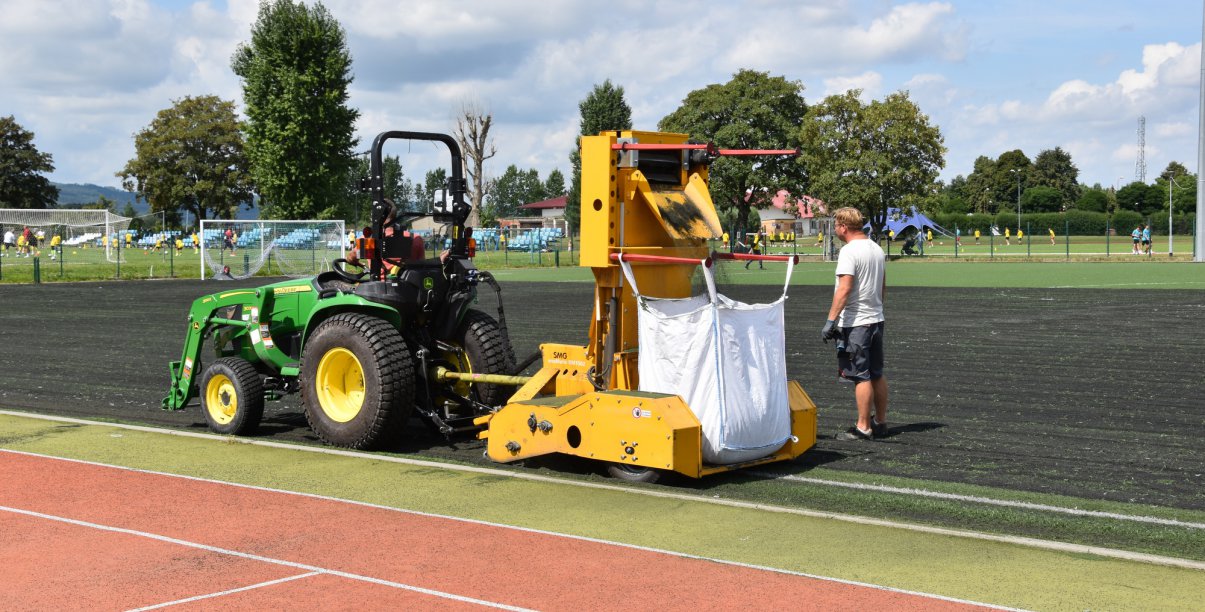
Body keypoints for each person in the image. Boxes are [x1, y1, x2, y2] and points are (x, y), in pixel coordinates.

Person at [821, 207, 888, 441]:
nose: (836, 230)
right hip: (877, 319)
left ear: (843, 227)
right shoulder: (876, 249)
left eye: (836, 226)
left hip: (857, 322)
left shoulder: (849, 251)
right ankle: (879, 422)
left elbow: (845, 288)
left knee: (861, 375)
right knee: (877, 373)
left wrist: (831, 321)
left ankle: (863, 427)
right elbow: (882, 287)